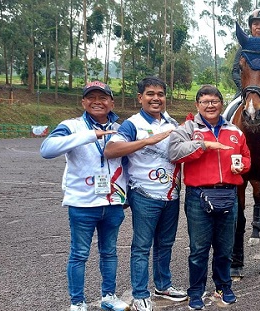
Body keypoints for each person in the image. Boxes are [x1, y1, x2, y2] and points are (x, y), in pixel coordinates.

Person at [40, 81, 129, 311]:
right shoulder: (71, 126)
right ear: (83, 102)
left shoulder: (121, 129)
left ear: (112, 102)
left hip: (112, 203)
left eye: (103, 97)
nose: (97, 101)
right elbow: (47, 149)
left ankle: (108, 297)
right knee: (79, 254)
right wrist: (90, 135)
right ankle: (77, 302)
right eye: (91, 97)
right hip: (82, 203)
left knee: (109, 252)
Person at [103, 76, 187, 311]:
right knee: (141, 245)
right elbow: (111, 150)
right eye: (150, 94)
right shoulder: (131, 124)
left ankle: (163, 285)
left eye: (160, 94)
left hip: (171, 194)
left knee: (166, 243)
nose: (156, 98)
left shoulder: (173, 122)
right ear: (140, 98)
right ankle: (140, 293)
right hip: (144, 193)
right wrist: (149, 140)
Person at [168, 85, 251, 310]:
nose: (210, 105)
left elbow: (246, 157)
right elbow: (174, 152)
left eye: (214, 101)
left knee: (225, 248)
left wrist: (242, 166)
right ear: (197, 105)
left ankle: (223, 286)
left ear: (221, 104)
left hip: (228, 194)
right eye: (205, 101)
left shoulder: (235, 131)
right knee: (199, 249)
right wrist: (204, 145)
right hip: (199, 196)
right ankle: (196, 291)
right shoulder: (187, 128)